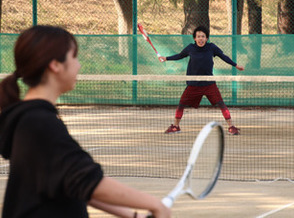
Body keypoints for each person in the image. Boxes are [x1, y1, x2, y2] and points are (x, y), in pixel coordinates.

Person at [0, 25, 170, 218]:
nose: (79, 65)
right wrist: (156, 205)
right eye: (74, 57)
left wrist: (133, 215)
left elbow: (72, 182)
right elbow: (88, 180)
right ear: (55, 65)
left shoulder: (29, 120)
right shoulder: (38, 123)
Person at [158, 26, 244, 135]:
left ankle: (231, 127)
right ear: (194, 38)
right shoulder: (190, 48)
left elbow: (223, 57)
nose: (201, 39)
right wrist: (166, 58)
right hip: (193, 84)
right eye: (198, 36)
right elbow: (180, 55)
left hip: (209, 83)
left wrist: (236, 65)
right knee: (181, 104)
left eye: (203, 36)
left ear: (207, 38)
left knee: (221, 104)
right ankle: (176, 126)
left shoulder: (211, 47)